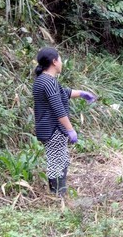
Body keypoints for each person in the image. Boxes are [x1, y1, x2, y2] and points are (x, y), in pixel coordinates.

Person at [33, 47, 96, 196]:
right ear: (54, 62)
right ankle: (58, 196)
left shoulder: (43, 80)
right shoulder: (48, 82)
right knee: (56, 162)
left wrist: (81, 93)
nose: (61, 62)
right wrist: (70, 129)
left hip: (49, 128)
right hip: (53, 129)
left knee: (62, 160)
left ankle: (60, 194)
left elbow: (63, 93)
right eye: (60, 59)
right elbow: (58, 108)